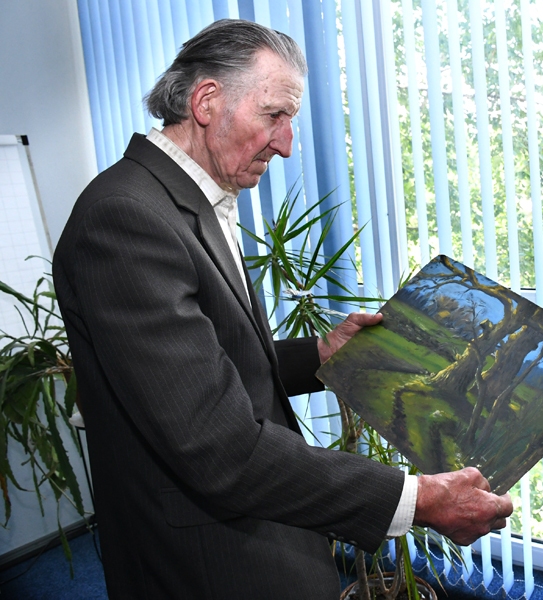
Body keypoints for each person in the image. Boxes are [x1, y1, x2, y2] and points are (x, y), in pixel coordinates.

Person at [53, 19, 512, 599]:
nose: (287, 144)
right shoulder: (126, 217)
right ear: (206, 101)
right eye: (274, 115)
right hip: (207, 560)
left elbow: (204, 361)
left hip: (251, 529)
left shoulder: (187, 198)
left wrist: (320, 353)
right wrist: (417, 498)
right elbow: (214, 443)